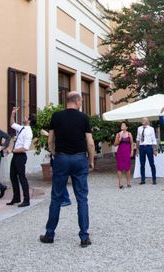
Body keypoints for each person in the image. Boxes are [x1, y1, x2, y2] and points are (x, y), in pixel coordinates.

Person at [40, 91, 95, 248]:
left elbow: (50, 139)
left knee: (56, 197)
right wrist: (90, 160)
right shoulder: (84, 117)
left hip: (62, 159)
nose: (81, 103)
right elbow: (90, 143)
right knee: (82, 198)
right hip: (79, 159)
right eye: (81, 101)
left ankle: (49, 234)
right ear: (77, 101)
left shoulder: (56, 116)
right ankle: (84, 236)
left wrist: (54, 153)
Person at [6, 106, 33, 207]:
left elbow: (25, 148)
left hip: (20, 156)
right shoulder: (22, 128)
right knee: (13, 176)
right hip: (16, 156)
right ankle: (16, 197)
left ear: (29, 120)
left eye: (27, 117)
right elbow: (12, 124)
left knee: (22, 178)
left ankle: (26, 200)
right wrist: (13, 113)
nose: (25, 117)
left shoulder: (28, 132)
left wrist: (13, 150)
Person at [136, 117, 157, 185]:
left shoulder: (151, 129)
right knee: (142, 164)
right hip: (142, 147)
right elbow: (138, 139)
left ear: (147, 122)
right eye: (142, 120)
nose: (143, 121)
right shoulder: (139, 128)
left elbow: (154, 139)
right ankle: (143, 180)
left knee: (152, 163)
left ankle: (154, 179)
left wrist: (154, 149)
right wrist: (137, 149)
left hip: (149, 147)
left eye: (144, 120)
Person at [114, 121, 134, 188]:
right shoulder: (118, 134)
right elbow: (115, 144)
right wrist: (119, 139)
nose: (122, 126)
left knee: (127, 167)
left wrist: (132, 151)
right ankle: (120, 183)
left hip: (127, 152)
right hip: (120, 152)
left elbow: (131, 143)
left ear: (126, 127)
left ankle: (128, 182)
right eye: (121, 125)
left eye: (123, 125)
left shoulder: (129, 134)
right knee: (119, 167)